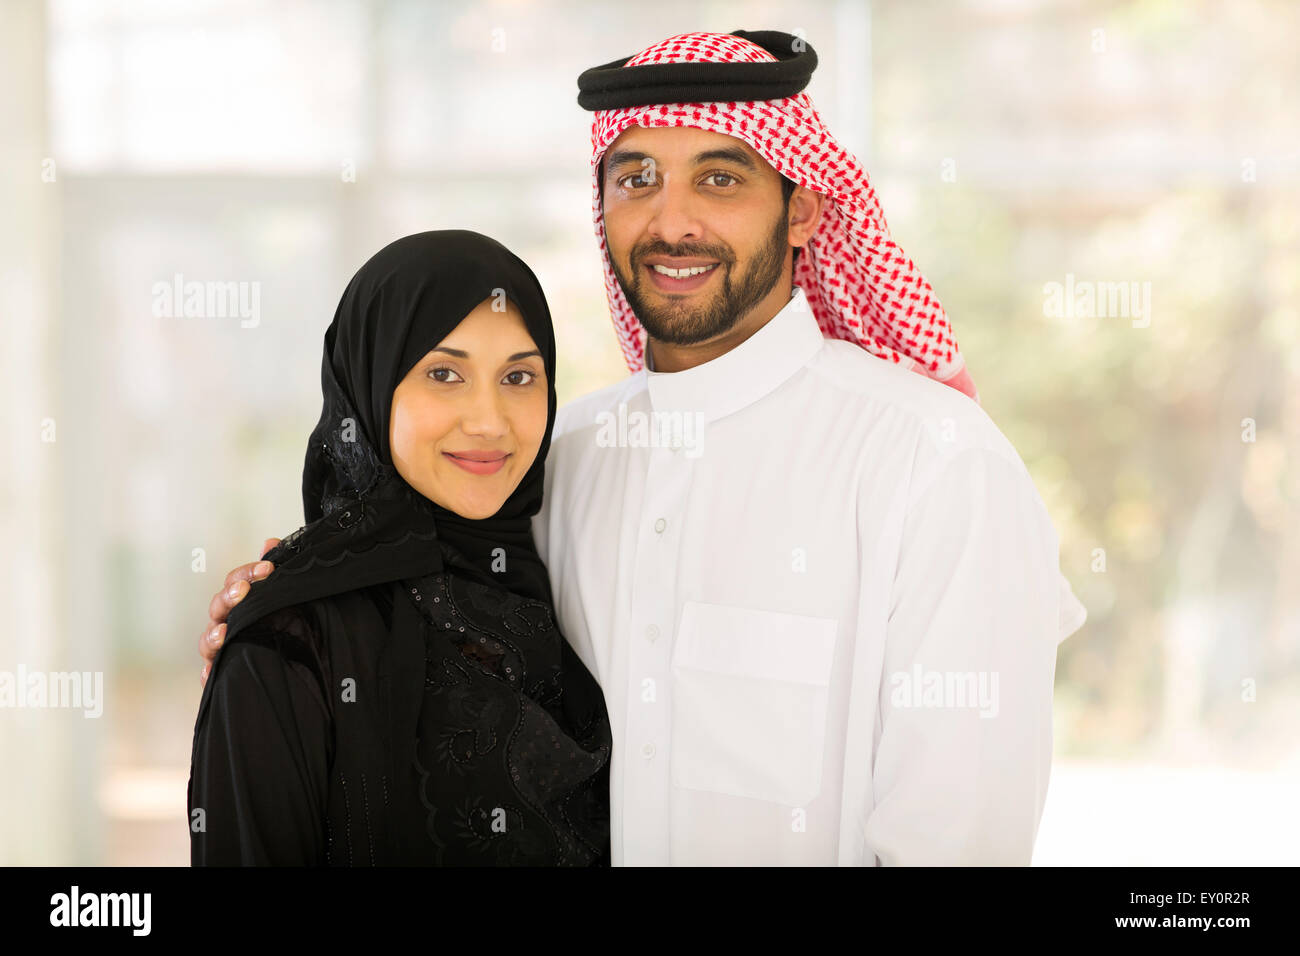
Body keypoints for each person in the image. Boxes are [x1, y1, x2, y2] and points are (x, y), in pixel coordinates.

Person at [199, 30, 1086, 866]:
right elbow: (419, 595)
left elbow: (955, 842)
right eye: (637, 179)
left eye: (720, 179)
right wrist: (286, 600)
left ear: (807, 206)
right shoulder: (565, 457)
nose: (672, 222)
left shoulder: (932, 465)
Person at [188, 230, 611, 865]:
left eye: (519, 376)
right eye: (445, 373)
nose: (490, 420)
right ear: (371, 381)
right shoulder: (288, 645)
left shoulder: (556, 564)